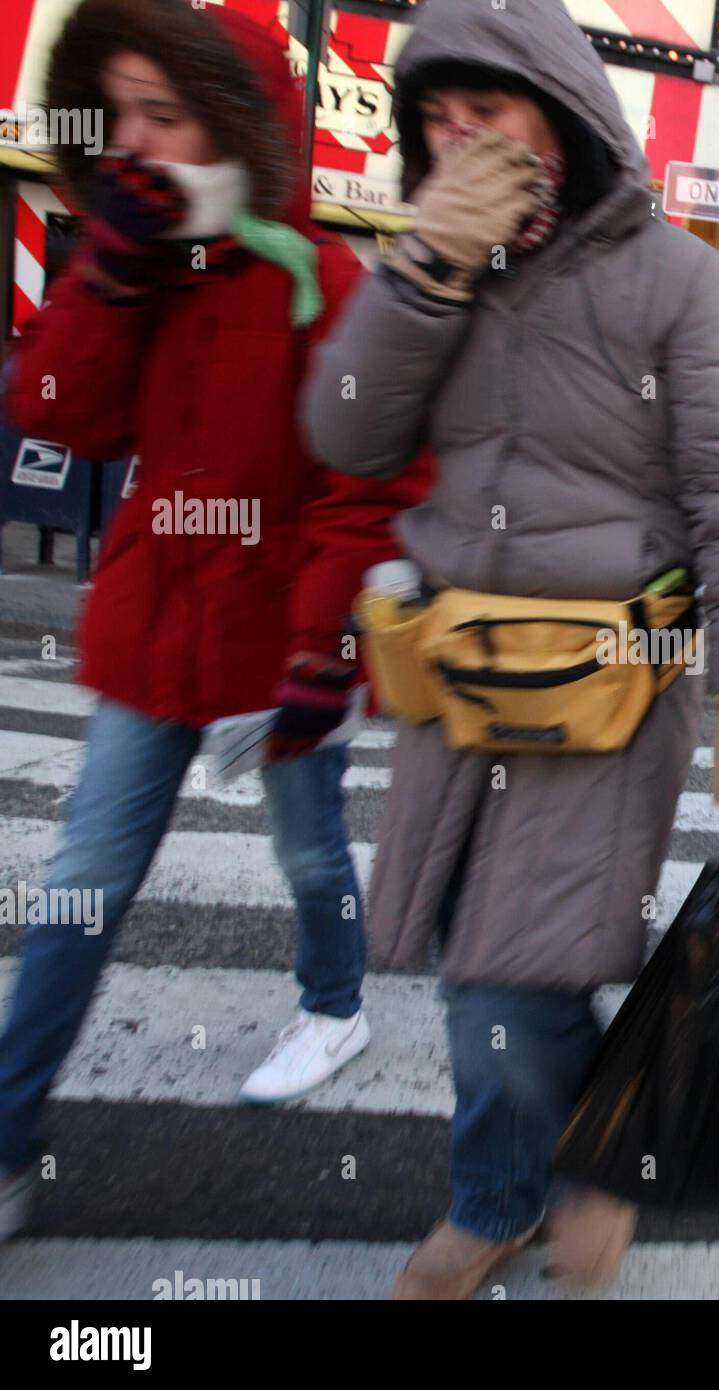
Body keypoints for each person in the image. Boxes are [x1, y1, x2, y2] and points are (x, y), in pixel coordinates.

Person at [301, 0, 719, 1300]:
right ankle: (553, 1168)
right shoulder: (431, 256)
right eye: (438, 122)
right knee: (484, 957)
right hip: (458, 673)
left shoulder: (678, 277)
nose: (459, 141)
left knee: (507, 966)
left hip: (604, 689)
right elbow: (345, 430)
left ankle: (528, 1187)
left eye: (488, 113)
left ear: (563, 114)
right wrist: (421, 273)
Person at [0, 0, 429, 1241]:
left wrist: (322, 654)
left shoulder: (325, 278)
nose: (134, 143)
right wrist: (111, 282)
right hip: (149, 635)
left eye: (166, 116)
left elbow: (367, 488)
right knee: (83, 882)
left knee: (307, 857)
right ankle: (12, 1138)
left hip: (274, 648)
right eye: (119, 113)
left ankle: (334, 1003)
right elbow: (56, 412)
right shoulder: (130, 257)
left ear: (234, 127)